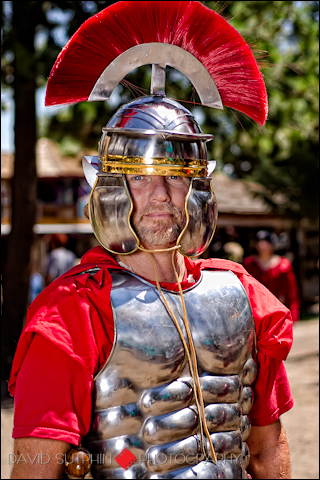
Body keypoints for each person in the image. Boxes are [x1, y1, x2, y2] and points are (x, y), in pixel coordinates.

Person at [8, 2, 293, 479]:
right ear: (107, 185)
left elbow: (267, 449)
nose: (161, 196)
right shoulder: (73, 313)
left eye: (177, 176)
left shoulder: (243, 296)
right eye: (140, 178)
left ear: (200, 185)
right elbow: (36, 469)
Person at [243, 230, 300, 322]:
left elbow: (291, 292)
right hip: (255, 312)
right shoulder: (250, 264)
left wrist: (294, 313)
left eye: (266, 242)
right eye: (259, 242)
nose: (262, 245)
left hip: (277, 310)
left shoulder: (283, 265)